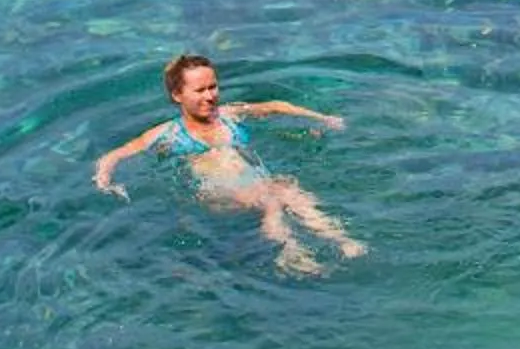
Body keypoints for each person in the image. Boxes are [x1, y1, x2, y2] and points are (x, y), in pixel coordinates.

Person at [94, 54, 362, 277]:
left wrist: (322, 118)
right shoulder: (168, 134)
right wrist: (105, 181)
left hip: (258, 185)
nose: (210, 96)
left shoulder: (229, 115)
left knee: (286, 187)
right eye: (200, 90)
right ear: (177, 94)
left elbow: (275, 106)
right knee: (270, 191)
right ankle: (290, 249)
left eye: (213, 87)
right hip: (218, 195)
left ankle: (338, 239)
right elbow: (115, 154)